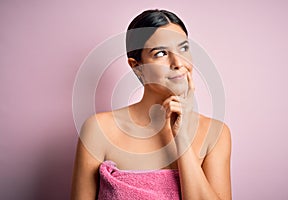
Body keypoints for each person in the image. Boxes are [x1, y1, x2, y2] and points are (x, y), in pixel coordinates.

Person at [71, 9, 232, 200]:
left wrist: (182, 139)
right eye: (161, 53)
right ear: (136, 66)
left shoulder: (216, 134)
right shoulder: (98, 130)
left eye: (183, 48)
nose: (178, 62)